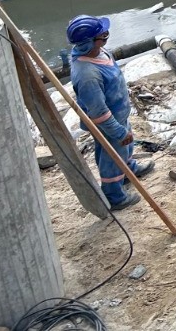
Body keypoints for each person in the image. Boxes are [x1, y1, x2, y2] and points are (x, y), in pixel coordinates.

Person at [67, 15, 153, 210]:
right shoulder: (87, 75)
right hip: (107, 123)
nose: (106, 36)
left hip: (119, 114)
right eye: (103, 35)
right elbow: (98, 112)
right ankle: (114, 196)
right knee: (111, 156)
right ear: (90, 42)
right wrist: (118, 132)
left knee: (125, 148)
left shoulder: (99, 52)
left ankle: (128, 170)